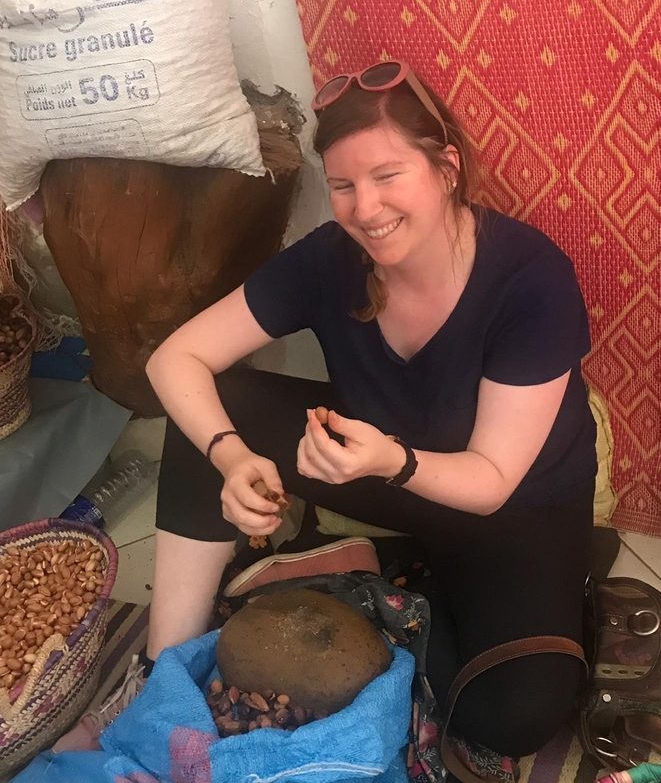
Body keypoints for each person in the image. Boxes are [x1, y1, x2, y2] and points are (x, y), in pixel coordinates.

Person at [144, 61, 598, 759]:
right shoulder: (331, 258)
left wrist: (392, 459)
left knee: (512, 716)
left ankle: (376, 584)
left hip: (512, 506)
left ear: (447, 169)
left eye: (388, 177)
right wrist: (233, 459)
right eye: (345, 186)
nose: (365, 209)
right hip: (383, 466)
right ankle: (162, 670)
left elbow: (492, 479)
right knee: (210, 412)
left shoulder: (531, 280)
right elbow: (173, 359)